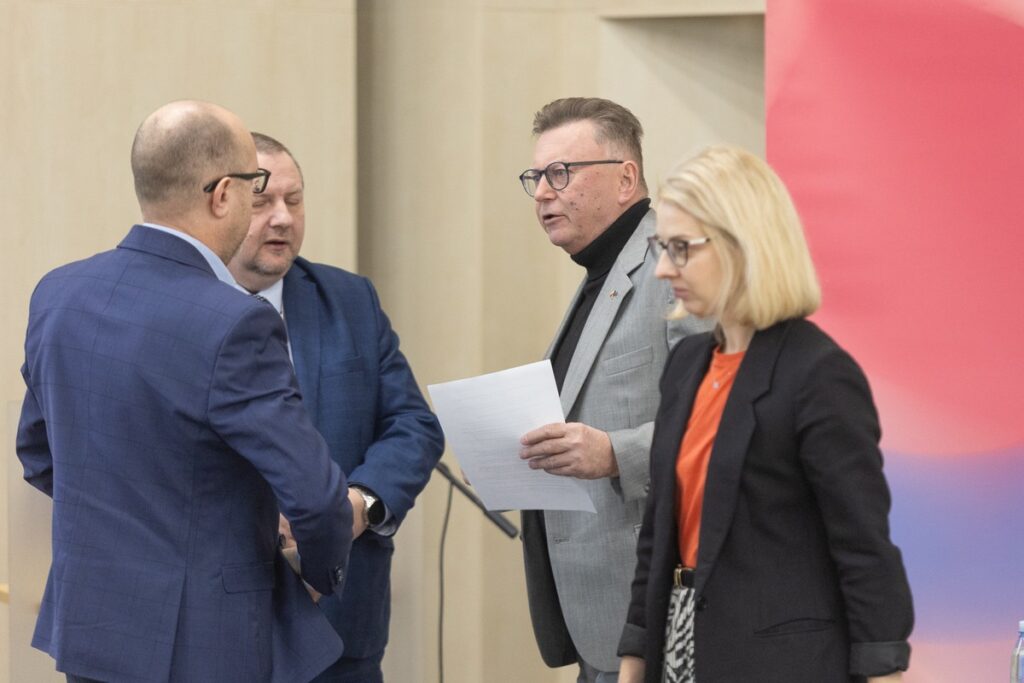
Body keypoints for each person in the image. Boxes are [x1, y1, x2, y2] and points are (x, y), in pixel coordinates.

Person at [16, 101, 353, 683]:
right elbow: (318, 501)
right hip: (206, 642)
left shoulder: (58, 294)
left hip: (92, 628)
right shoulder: (235, 323)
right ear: (222, 194)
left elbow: (39, 454)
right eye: (255, 186)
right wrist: (320, 576)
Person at [617, 145, 914, 682]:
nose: (662, 269)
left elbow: (863, 548)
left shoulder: (818, 374)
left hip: (782, 664)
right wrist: (634, 661)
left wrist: (884, 670)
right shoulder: (686, 365)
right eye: (662, 247)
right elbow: (657, 536)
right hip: (679, 647)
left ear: (742, 244)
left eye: (680, 249)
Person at [226, 132, 445, 682]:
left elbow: (413, 425)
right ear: (221, 206)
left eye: (294, 200)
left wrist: (358, 505)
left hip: (341, 626)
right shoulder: (178, 308)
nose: (283, 218)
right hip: (216, 624)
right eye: (263, 201)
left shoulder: (349, 300)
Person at [516, 97, 709, 682]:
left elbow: (717, 424)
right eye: (535, 177)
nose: (543, 193)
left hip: (665, 613)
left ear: (626, 178)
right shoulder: (601, 274)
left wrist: (614, 453)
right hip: (599, 614)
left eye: (560, 173)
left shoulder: (671, 266)